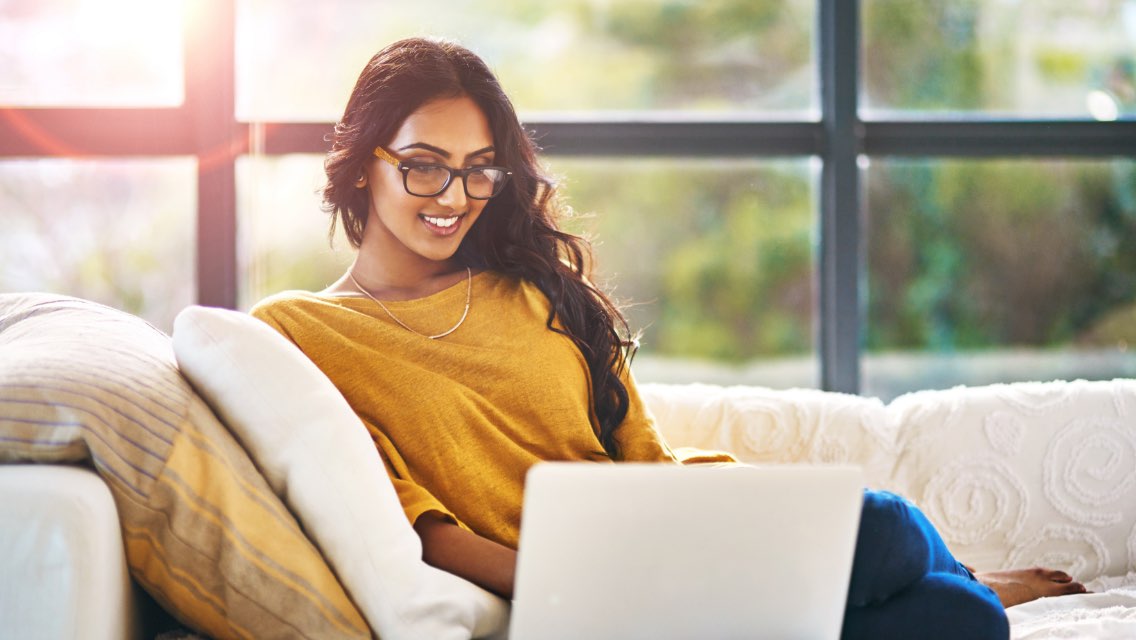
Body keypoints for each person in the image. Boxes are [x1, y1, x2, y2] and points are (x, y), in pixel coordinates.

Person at [250, 36, 1086, 639]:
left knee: (917, 559)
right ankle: (951, 589)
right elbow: (414, 526)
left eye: (478, 170)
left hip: (671, 532)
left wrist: (712, 536)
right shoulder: (300, 333)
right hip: (578, 589)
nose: (455, 195)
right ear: (363, 161)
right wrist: (584, 584)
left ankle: (962, 581)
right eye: (424, 163)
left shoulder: (524, 284)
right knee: (952, 612)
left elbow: (637, 452)